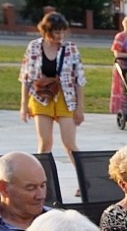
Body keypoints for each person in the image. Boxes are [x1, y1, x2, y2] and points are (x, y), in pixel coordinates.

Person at [19, 12, 86, 155]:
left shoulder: (71, 49)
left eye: (63, 31)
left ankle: (84, 176)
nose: (60, 35)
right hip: (41, 97)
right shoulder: (34, 47)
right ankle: (42, 177)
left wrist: (79, 107)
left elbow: (79, 80)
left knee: (70, 145)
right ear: (46, 31)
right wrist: (24, 105)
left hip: (65, 98)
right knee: (45, 143)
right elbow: (25, 78)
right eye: (56, 31)